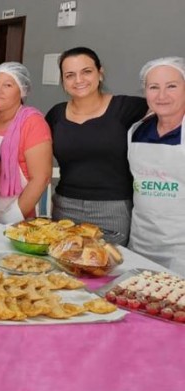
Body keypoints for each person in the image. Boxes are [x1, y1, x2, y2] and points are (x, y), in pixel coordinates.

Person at [46, 47, 147, 245]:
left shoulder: (127, 108)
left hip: (112, 210)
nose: (79, 80)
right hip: (65, 208)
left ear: (100, 73)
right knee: (63, 270)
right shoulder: (56, 115)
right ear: (63, 81)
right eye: (70, 75)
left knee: (107, 271)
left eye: (86, 71)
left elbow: (170, 107)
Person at [128, 57, 185, 274]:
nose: (162, 96)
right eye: (154, 87)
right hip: (141, 243)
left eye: (171, 86)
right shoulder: (136, 131)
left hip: (180, 250)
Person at [0, 62, 52, 224]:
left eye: (8, 85)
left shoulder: (32, 122)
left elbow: (41, 178)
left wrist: (10, 219)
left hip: (16, 215)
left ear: (22, 90)